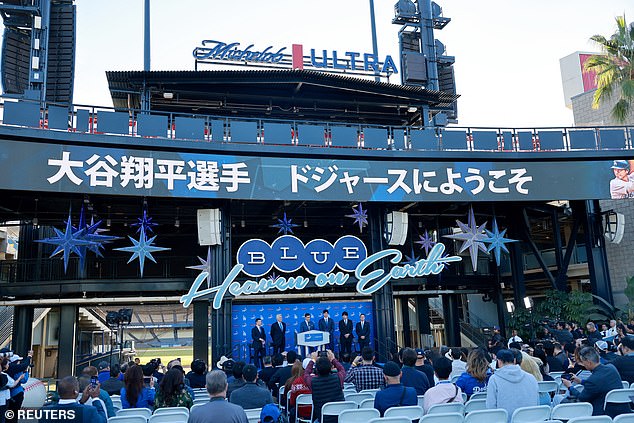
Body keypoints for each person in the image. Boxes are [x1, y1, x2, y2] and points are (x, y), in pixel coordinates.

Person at [561, 346, 630, 417]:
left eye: (583, 362)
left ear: (589, 362)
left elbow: (581, 398)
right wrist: (581, 381)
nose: (583, 365)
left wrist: (570, 387)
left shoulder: (593, 379)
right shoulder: (611, 368)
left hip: (603, 414)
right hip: (622, 412)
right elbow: (601, 384)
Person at [486, 349, 538, 422]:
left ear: (499, 361)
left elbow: (491, 407)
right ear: (514, 361)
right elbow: (536, 402)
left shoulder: (494, 379)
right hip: (530, 420)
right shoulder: (531, 378)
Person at [39, 376, 106, 423]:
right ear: (75, 391)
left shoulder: (44, 412)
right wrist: (95, 398)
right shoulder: (89, 411)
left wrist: (81, 402)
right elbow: (102, 420)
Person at [303, 351, 345, 423]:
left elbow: (306, 373)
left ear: (316, 369)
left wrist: (313, 360)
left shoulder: (312, 382)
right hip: (340, 418)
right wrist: (333, 359)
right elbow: (342, 369)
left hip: (322, 419)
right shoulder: (338, 377)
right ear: (331, 367)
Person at [5, 350, 32, 423]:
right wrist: (25, 371)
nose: (20, 362)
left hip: (9, 395)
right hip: (17, 394)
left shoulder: (7, 370)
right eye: (18, 361)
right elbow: (24, 380)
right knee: (14, 414)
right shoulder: (16, 370)